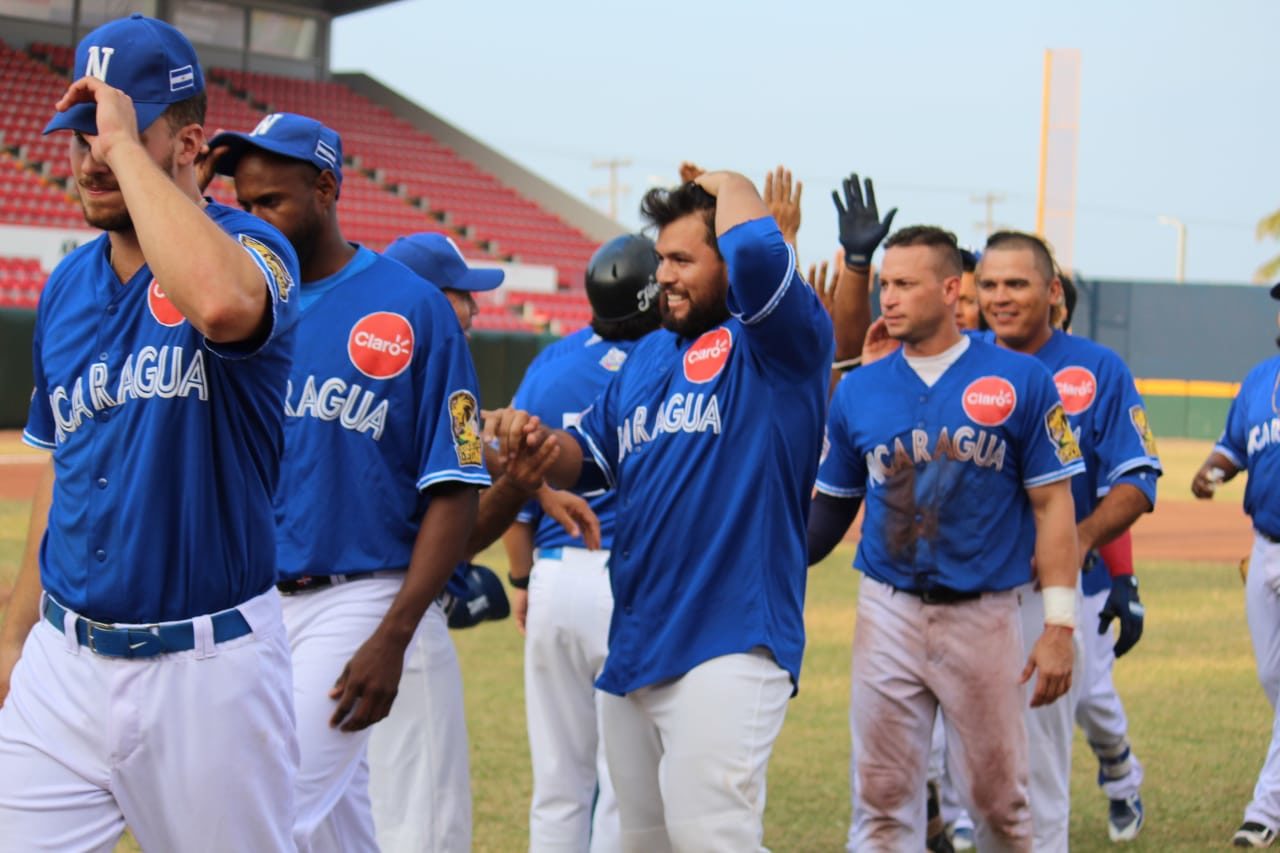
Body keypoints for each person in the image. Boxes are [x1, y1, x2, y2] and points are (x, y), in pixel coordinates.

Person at [0, 15, 302, 851]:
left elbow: (222, 305)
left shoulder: (254, 247)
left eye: (115, 127)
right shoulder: (65, 288)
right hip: (66, 664)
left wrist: (130, 155)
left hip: (207, 671)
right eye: (79, 132)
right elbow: (63, 467)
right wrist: (13, 634)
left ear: (189, 143)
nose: (90, 153)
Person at [490, 170, 834, 850]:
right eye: (661, 258)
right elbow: (585, 455)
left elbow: (764, 257)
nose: (663, 275)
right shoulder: (648, 357)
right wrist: (529, 438)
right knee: (638, 843)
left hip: (731, 640)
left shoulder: (779, 344)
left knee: (714, 838)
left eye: (682, 259)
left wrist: (731, 182)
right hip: (638, 640)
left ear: (727, 263)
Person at [204, 114, 488, 851]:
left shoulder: (413, 307)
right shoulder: (242, 304)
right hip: (257, 603)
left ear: (326, 188)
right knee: (335, 831)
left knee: (259, 807)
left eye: (271, 202)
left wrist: (395, 632)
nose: (250, 217)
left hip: (361, 594)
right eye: (243, 201)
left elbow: (456, 485)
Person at [807, 224, 1082, 852]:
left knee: (1001, 806)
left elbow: (1053, 504)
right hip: (886, 610)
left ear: (952, 288)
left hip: (984, 614)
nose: (890, 298)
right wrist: (766, 557)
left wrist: (1060, 626)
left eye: (905, 284)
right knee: (879, 803)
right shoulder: (859, 391)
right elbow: (829, 512)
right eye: (884, 285)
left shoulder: (1022, 380)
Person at [977, 230, 1159, 846]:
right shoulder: (963, 358)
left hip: (1053, 595)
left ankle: (1119, 776)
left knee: (1040, 765)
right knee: (963, 766)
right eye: (989, 285)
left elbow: (1137, 480)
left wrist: (1077, 537)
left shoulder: (1097, 369)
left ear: (1053, 292)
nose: (1000, 298)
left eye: (1017, 284)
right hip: (966, 594)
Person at [500, 233, 660, 851]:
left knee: (558, 784)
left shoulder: (549, 363)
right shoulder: (668, 361)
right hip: (626, 581)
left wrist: (519, 581)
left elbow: (513, 484)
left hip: (553, 574)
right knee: (624, 785)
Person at [1192, 281, 1280, 848]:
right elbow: (1235, 445)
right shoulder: (1259, 378)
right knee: (1273, 677)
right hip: (1266, 544)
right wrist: (1213, 469)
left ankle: (1265, 809)